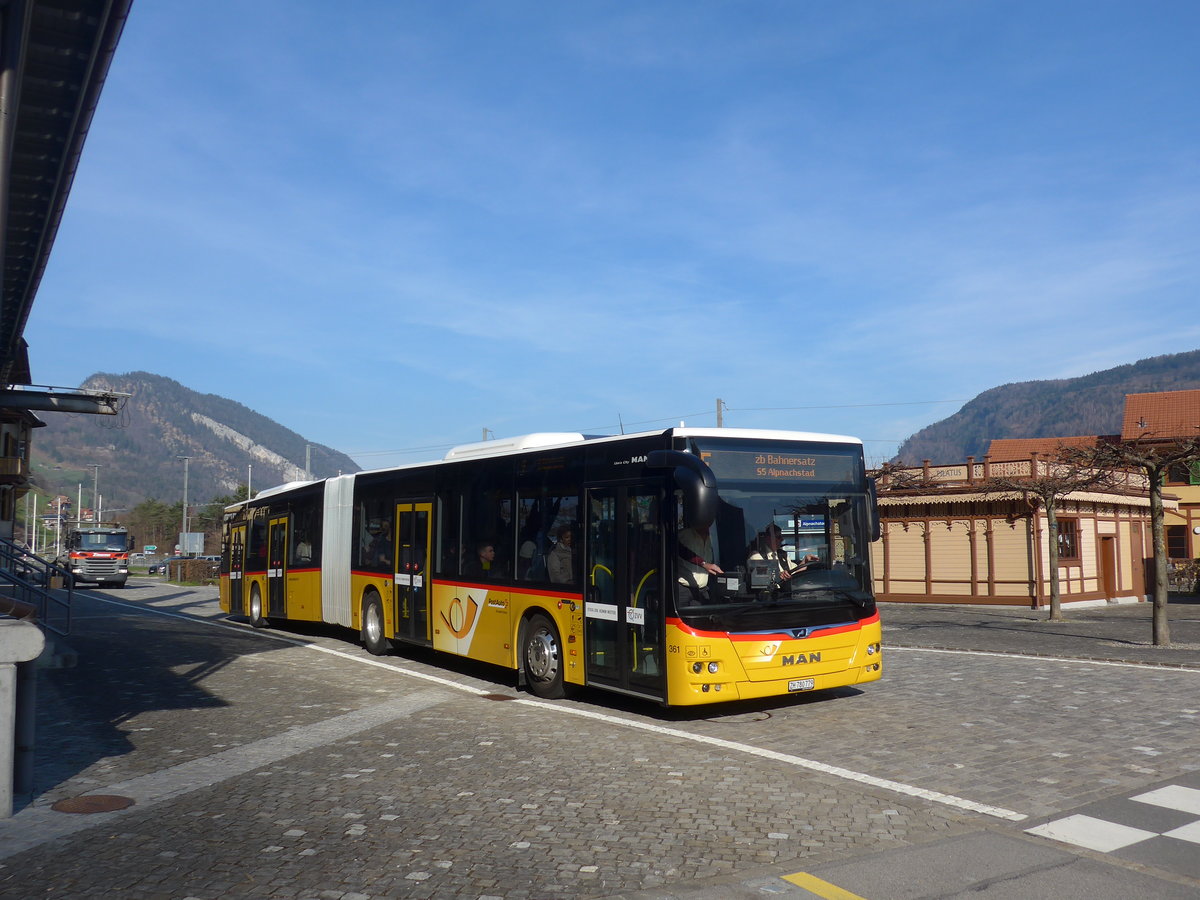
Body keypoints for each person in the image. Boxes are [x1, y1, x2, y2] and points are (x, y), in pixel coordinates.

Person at [676, 524, 723, 606]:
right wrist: (704, 564)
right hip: (682, 589)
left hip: (702, 590)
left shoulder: (714, 537)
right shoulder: (683, 535)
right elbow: (682, 551)